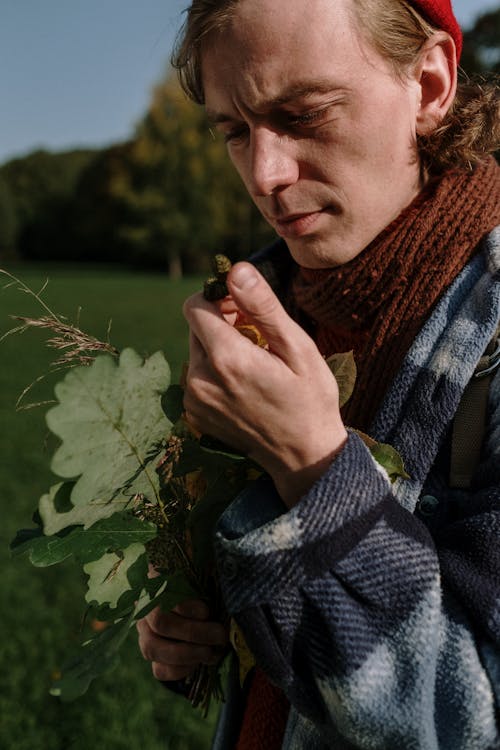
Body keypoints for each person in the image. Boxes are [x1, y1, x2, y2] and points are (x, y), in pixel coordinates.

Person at [136, 0, 500, 746]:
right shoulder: (268, 313)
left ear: (430, 86)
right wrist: (192, 620)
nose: (265, 176)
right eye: (235, 131)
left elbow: (473, 721)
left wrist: (313, 469)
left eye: (302, 115)